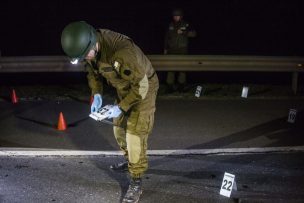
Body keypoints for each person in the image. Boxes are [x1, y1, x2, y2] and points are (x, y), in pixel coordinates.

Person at [61, 21, 159, 203]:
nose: (86, 59)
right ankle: (131, 161)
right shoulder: (90, 50)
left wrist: (121, 107)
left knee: (134, 136)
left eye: (85, 56)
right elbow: (93, 74)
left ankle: (136, 180)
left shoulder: (121, 53)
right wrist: (97, 94)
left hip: (144, 88)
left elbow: (142, 85)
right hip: (125, 90)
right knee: (118, 130)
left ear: (92, 43)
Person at [164, 8, 196, 93]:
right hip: (172, 50)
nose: (176, 17)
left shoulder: (186, 24)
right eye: (174, 16)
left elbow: (193, 34)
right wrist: (165, 49)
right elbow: (167, 38)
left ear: (181, 16)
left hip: (182, 50)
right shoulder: (170, 25)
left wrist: (184, 32)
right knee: (171, 69)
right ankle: (170, 87)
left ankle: (181, 86)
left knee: (182, 68)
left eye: (177, 16)